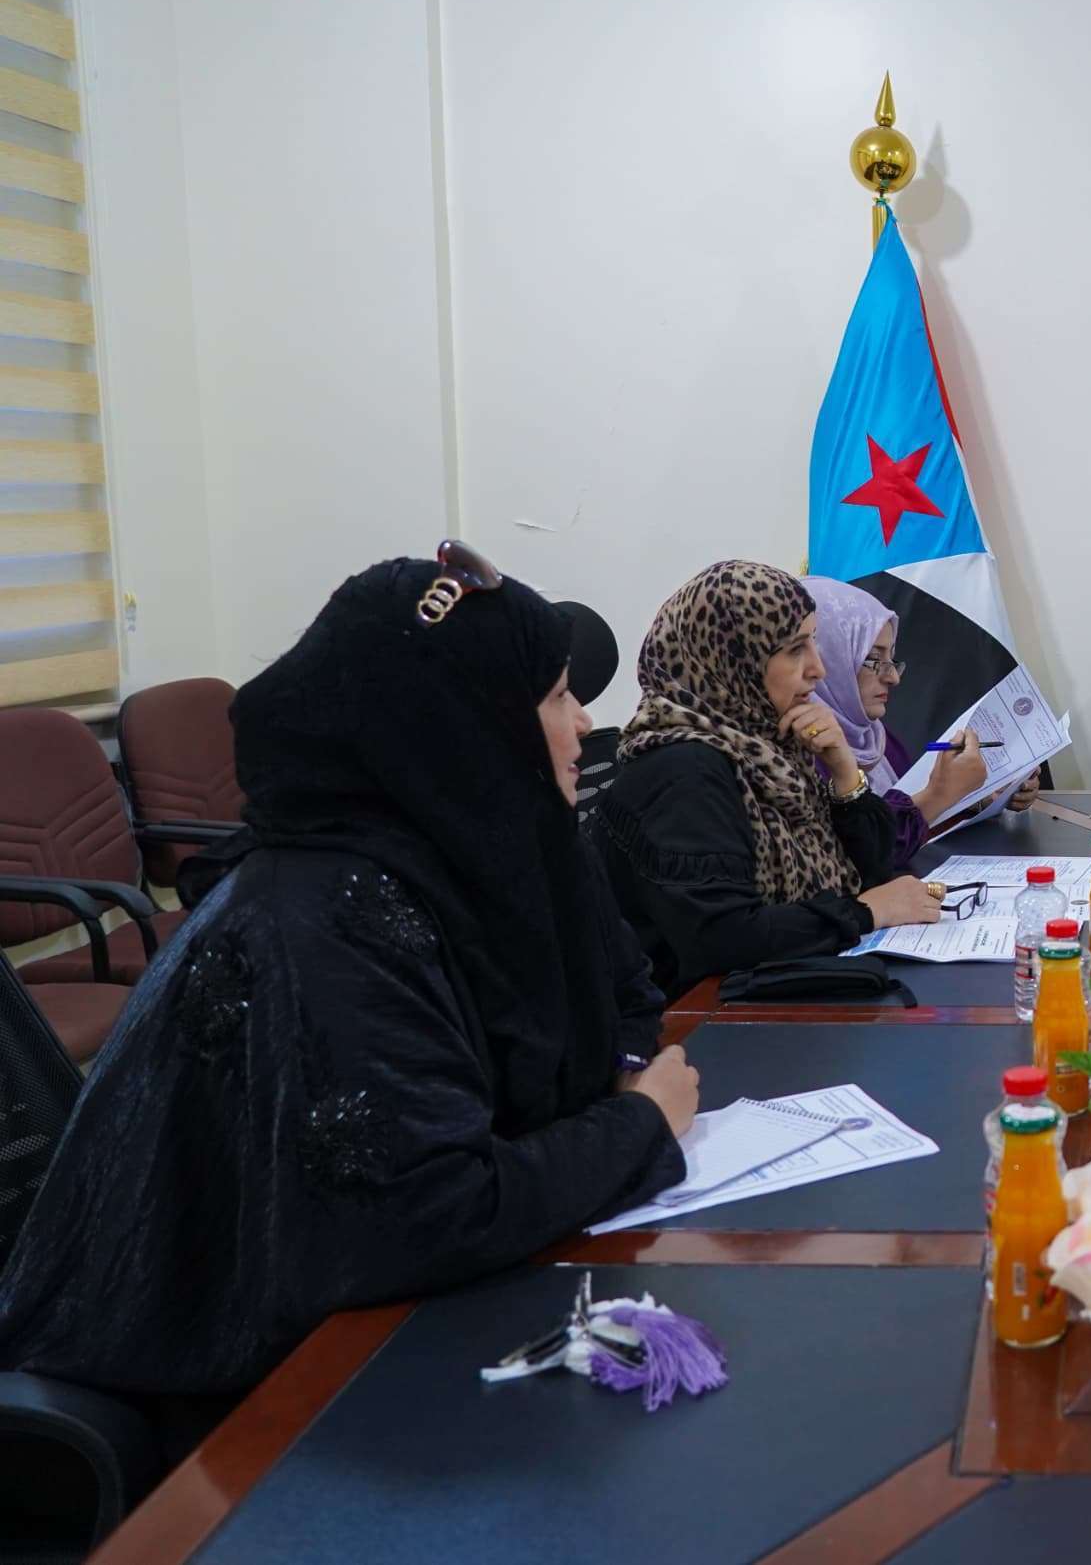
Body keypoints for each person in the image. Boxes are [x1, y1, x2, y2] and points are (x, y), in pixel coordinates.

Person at [0, 548, 697, 1404]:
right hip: (243, 1394)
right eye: (556, 697)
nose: (585, 723)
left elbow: (625, 994)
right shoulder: (327, 917)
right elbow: (426, 1214)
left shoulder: (494, 853)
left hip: (419, 1309)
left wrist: (618, 1080)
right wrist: (637, 1126)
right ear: (464, 728)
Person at [598, 562, 937, 994]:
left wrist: (843, 770)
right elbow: (722, 938)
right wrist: (866, 913)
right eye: (795, 649)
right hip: (694, 1017)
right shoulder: (682, 771)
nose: (818, 668)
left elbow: (874, 866)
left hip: (769, 993)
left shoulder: (770, 744)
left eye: (814, 643)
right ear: (732, 658)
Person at [802, 576, 1038, 865]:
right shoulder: (803, 753)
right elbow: (853, 857)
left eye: (892, 659)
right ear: (828, 658)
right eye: (874, 660)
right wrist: (941, 793)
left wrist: (978, 798)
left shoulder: (875, 738)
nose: (893, 677)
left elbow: (910, 821)